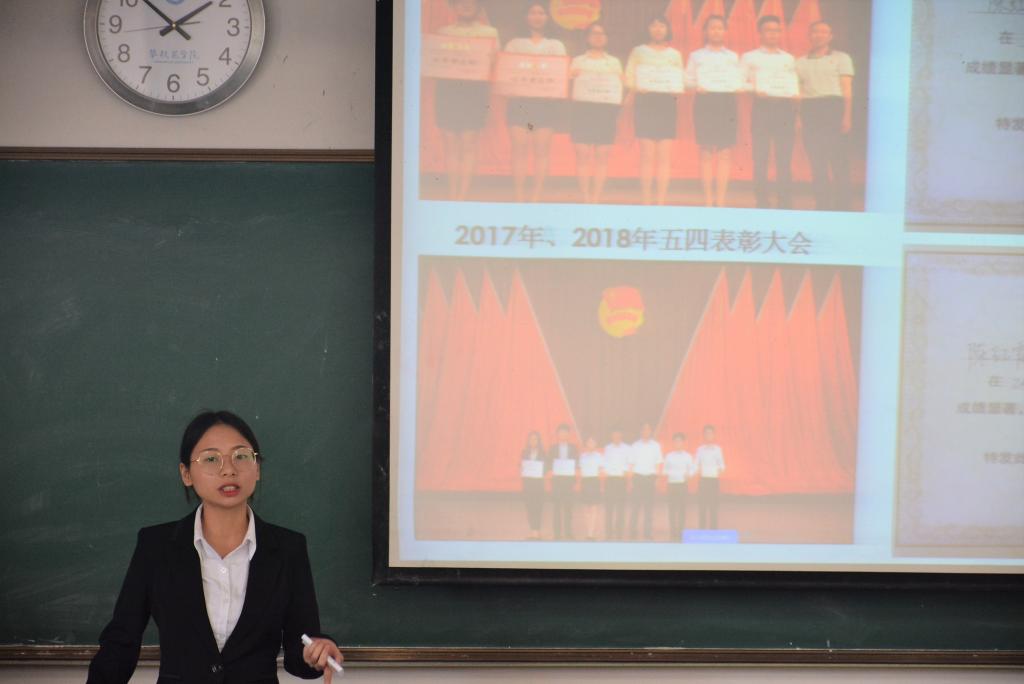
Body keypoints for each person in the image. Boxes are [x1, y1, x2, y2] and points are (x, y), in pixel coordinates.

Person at [88, 410, 342, 684]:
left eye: (241, 456)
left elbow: (299, 651)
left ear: (257, 468)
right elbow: (121, 643)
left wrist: (316, 651)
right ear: (186, 474)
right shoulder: (156, 546)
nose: (229, 469)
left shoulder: (288, 548)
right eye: (211, 459)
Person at [433, 0, 500, 201]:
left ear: (478, 6)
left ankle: (462, 195)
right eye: (460, 2)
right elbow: (434, 60)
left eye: (471, 2)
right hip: (447, 91)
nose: (466, 5)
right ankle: (452, 193)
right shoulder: (443, 32)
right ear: (453, 6)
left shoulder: (490, 33)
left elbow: (495, 62)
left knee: (469, 142)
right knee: (450, 142)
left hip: (474, 92)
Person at [505, 3, 567, 203]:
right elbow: (506, 74)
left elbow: (560, 75)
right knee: (519, 150)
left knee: (542, 152)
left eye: (541, 13)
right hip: (520, 104)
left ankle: (536, 196)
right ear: (525, 16)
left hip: (545, 105)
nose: (537, 17)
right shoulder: (514, 44)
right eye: (532, 12)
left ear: (548, 17)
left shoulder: (556, 45)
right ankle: (519, 195)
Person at [796, 20, 855, 211]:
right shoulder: (800, 62)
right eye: (815, 31)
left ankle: (843, 207)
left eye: (824, 32)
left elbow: (847, 90)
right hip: (810, 110)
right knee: (817, 162)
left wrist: (846, 116)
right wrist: (798, 117)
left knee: (839, 160)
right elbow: (799, 92)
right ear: (809, 35)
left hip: (834, 108)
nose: (819, 35)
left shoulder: (842, 58)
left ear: (830, 36)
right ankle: (822, 205)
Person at [625, 16, 684, 205]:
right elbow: (629, 76)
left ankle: (661, 201)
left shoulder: (675, 54)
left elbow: (680, 79)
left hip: (666, 104)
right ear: (648, 29)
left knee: (664, 156)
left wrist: (677, 88)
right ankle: (646, 200)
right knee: (647, 155)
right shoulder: (638, 51)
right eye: (654, 25)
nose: (658, 29)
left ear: (667, 29)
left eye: (662, 26)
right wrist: (636, 87)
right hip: (645, 102)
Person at [741, 15, 799, 209]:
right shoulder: (750, 57)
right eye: (768, 30)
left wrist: (795, 94)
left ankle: (785, 201)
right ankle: (762, 201)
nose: (773, 34)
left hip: (785, 109)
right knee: (761, 157)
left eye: (776, 30)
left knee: (784, 158)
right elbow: (740, 82)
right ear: (760, 33)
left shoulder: (788, 58)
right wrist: (755, 89)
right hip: (762, 108)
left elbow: (793, 84)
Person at [685, 15, 741, 207]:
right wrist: (697, 86)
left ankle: (721, 199)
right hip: (705, 102)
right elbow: (688, 81)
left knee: (725, 152)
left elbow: (738, 80)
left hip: (727, 102)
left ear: (725, 31)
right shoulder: (696, 56)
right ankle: (708, 200)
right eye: (712, 27)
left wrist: (738, 86)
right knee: (706, 152)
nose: (716, 31)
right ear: (705, 31)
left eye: (719, 28)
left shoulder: (733, 57)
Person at [570, 23, 624, 204]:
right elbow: (566, 84)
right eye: (594, 33)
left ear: (607, 38)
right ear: (587, 37)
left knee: (602, 155)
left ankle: (596, 198)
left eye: (602, 33)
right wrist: (572, 76)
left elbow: (621, 85)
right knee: (582, 154)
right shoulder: (578, 61)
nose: (598, 36)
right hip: (582, 110)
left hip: (605, 111)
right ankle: (585, 197)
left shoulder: (614, 62)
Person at [628, 423, 663, 540]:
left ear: (650, 431)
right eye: (643, 429)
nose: (646, 431)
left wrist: (657, 478)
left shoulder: (656, 446)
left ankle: (647, 532)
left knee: (649, 507)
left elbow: (658, 463)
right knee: (635, 507)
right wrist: (631, 480)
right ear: (640, 431)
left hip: (650, 478)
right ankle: (632, 531)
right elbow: (631, 464)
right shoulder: (635, 446)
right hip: (637, 478)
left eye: (648, 429)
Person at [547, 423, 579, 540]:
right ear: (557, 435)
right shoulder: (553, 448)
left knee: (568, 508)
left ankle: (568, 532)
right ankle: (557, 533)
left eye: (565, 433)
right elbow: (548, 463)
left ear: (569, 435)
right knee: (556, 508)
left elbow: (576, 463)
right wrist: (550, 470)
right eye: (561, 433)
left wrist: (575, 474)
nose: (563, 435)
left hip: (568, 482)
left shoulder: (573, 448)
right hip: (557, 482)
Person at [663, 432, 695, 541]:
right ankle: (673, 531)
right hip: (672, 484)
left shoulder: (688, 456)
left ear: (683, 443)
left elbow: (692, 469)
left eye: (680, 441)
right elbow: (665, 470)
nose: (678, 443)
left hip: (682, 485)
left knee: (682, 509)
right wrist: (672, 473)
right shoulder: (669, 456)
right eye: (676, 441)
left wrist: (689, 475)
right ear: (673, 443)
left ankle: (681, 531)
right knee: (672, 509)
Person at [695, 424, 726, 530]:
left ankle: (713, 531)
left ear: (714, 435)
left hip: (713, 481)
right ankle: (702, 530)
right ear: (703, 435)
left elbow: (722, 465)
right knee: (702, 507)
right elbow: (696, 464)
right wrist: (698, 470)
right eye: (706, 433)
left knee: (713, 507)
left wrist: (715, 472)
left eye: (710, 433)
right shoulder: (700, 449)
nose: (708, 435)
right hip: (703, 481)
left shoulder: (718, 449)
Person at [602, 429, 631, 540]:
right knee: (609, 508)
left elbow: (629, 463)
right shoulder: (607, 448)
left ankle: (619, 532)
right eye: (614, 434)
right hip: (610, 480)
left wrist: (627, 474)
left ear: (621, 434)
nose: (616, 436)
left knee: (620, 508)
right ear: (611, 435)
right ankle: (608, 532)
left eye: (618, 434)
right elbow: (604, 463)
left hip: (621, 480)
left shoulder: (627, 448)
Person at [520, 430, 547, 540]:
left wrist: (541, 469)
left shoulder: (543, 453)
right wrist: (522, 468)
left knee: (538, 508)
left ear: (539, 441)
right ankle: (533, 531)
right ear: (528, 441)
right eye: (531, 439)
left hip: (538, 485)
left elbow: (546, 468)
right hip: (528, 485)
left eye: (535, 439)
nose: (533, 441)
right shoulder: (524, 452)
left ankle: (537, 531)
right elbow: (522, 466)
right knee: (529, 508)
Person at [578, 436, 604, 540]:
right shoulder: (582, 456)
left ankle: (591, 533)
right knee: (586, 508)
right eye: (589, 442)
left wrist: (601, 485)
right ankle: (587, 532)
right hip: (585, 482)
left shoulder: (599, 456)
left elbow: (601, 471)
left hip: (595, 481)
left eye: (593, 442)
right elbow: (580, 471)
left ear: (596, 444)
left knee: (594, 508)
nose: (591, 444)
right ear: (586, 444)